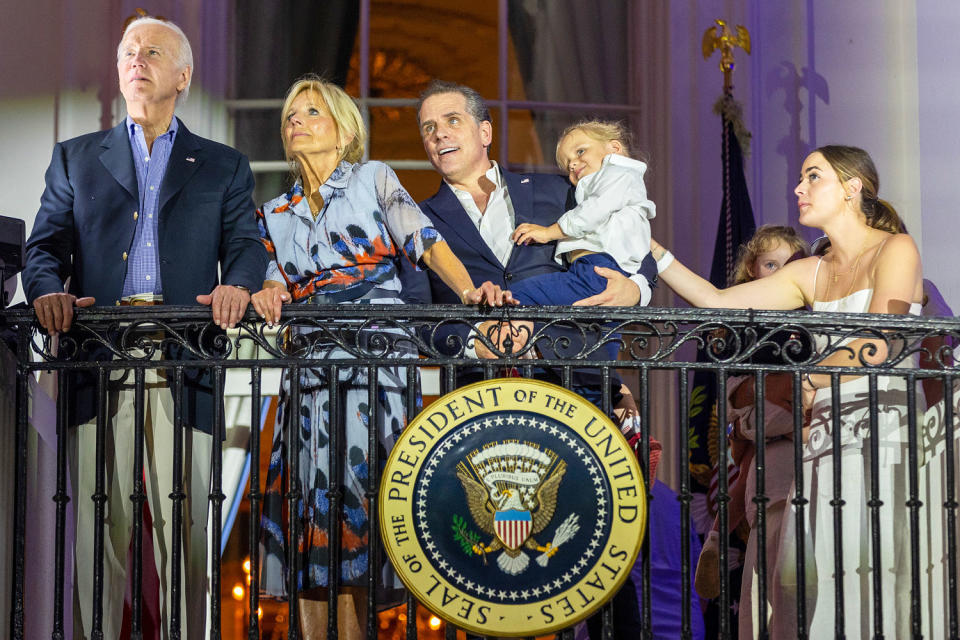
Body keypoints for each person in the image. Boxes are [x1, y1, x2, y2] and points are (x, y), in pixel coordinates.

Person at [22, 15, 267, 639]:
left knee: (187, 529)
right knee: (98, 530)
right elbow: (44, 247)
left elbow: (244, 244)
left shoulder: (223, 165)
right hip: (99, 357)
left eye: (152, 52)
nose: (136, 60)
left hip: (185, 359)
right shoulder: (75, 157)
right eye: (128, 51)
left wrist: (238, 284)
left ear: (181, 76)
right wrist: (48, 291)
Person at [252, 75, 504, 640]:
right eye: (290, 115)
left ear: (343, 131)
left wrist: (469, 295)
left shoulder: (373, 179)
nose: (296, 121)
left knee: (362, 525)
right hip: (311, 383)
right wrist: (266, 290)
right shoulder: (274, 212)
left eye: (311, 112)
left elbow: (427, 242)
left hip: (376, 378)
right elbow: (268, 277)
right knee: (311, 532)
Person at [651, 145, 923, 638]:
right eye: (800, 177)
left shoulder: (895, 248)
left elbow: (881, 341)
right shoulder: (810, 272)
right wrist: (649, 250)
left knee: (867, 571)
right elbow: (716, 301)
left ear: (852, 186)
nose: (798, 188)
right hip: (820, 441)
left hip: (881, 436)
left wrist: (808, 378)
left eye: (812, 176)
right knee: (809, 578)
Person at [415, 79, 647, 639]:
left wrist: (636, 287)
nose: (438, 133)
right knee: (489, 568)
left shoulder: (552, 192)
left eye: (450, 120)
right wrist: (474, 343)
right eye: (427, 127)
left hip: (576, 385)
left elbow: (629, 238)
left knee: (596, 553)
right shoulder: (419, 220)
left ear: (484, 131)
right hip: (478, 409)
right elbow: (419, 321)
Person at [691, 225, 810, 639]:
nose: (780, 273)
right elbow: (741, 391)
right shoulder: (750, 324)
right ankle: (720, 538)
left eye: (789, 265)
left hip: (794, 431)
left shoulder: (808, 318)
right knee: (752, 467)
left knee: (749, 472)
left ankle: (720, 537)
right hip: (766, 427)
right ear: (753, 272)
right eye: (770, 265)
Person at [507, 120, 658, 307]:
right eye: (567, 164)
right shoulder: (606, 183)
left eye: (580, 152)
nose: (572, 164)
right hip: (591, 271)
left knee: (517, 295)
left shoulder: (620, 174)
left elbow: (593, 212)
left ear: (614, 148)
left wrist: (548, 233)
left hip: (600, 270)